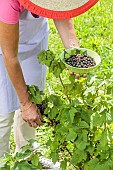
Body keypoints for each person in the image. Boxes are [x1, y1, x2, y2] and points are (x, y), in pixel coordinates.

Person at [0, 0, 98, 168]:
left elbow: (61, 12)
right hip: (4, 51)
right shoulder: (7, 2)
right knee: (3, 113)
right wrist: (24, 104)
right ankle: (2, 162)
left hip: (34, 41)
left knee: (34, 99)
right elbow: (10, 56)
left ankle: (27, 155)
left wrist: (73, 51)